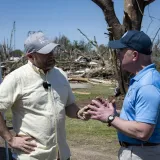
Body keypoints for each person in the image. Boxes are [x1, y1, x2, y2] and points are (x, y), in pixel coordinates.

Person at [0, 31, 89, 160]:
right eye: (45, 53)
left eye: (52, 51)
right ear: (30, 56)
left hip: (61, 154)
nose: (51, 55)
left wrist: (80, 113)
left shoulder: (61, 75)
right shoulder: (16, 78)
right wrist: (10, 139)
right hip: (32, 155)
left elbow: (68, 105)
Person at [87, 30, 160, 160]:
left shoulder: (147, 85)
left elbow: (143, 131)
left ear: (134, 55)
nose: (118, 55)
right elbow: (140, 115)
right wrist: (115, 113)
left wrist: (110, 118)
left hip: (142, 153)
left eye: (121, 50)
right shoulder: (143, 79)